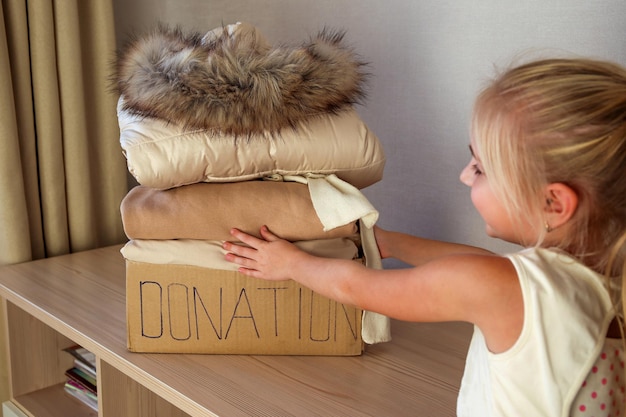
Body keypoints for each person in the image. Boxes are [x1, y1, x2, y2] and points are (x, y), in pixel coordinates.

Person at [223, 57, 626, 417]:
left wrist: (291, 263)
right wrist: (393, 243)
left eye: (481, 168)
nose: (465, 175)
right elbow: (483, 266)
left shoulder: (504, 287)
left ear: (553, 203)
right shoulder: (603, 280)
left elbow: (358, 286)